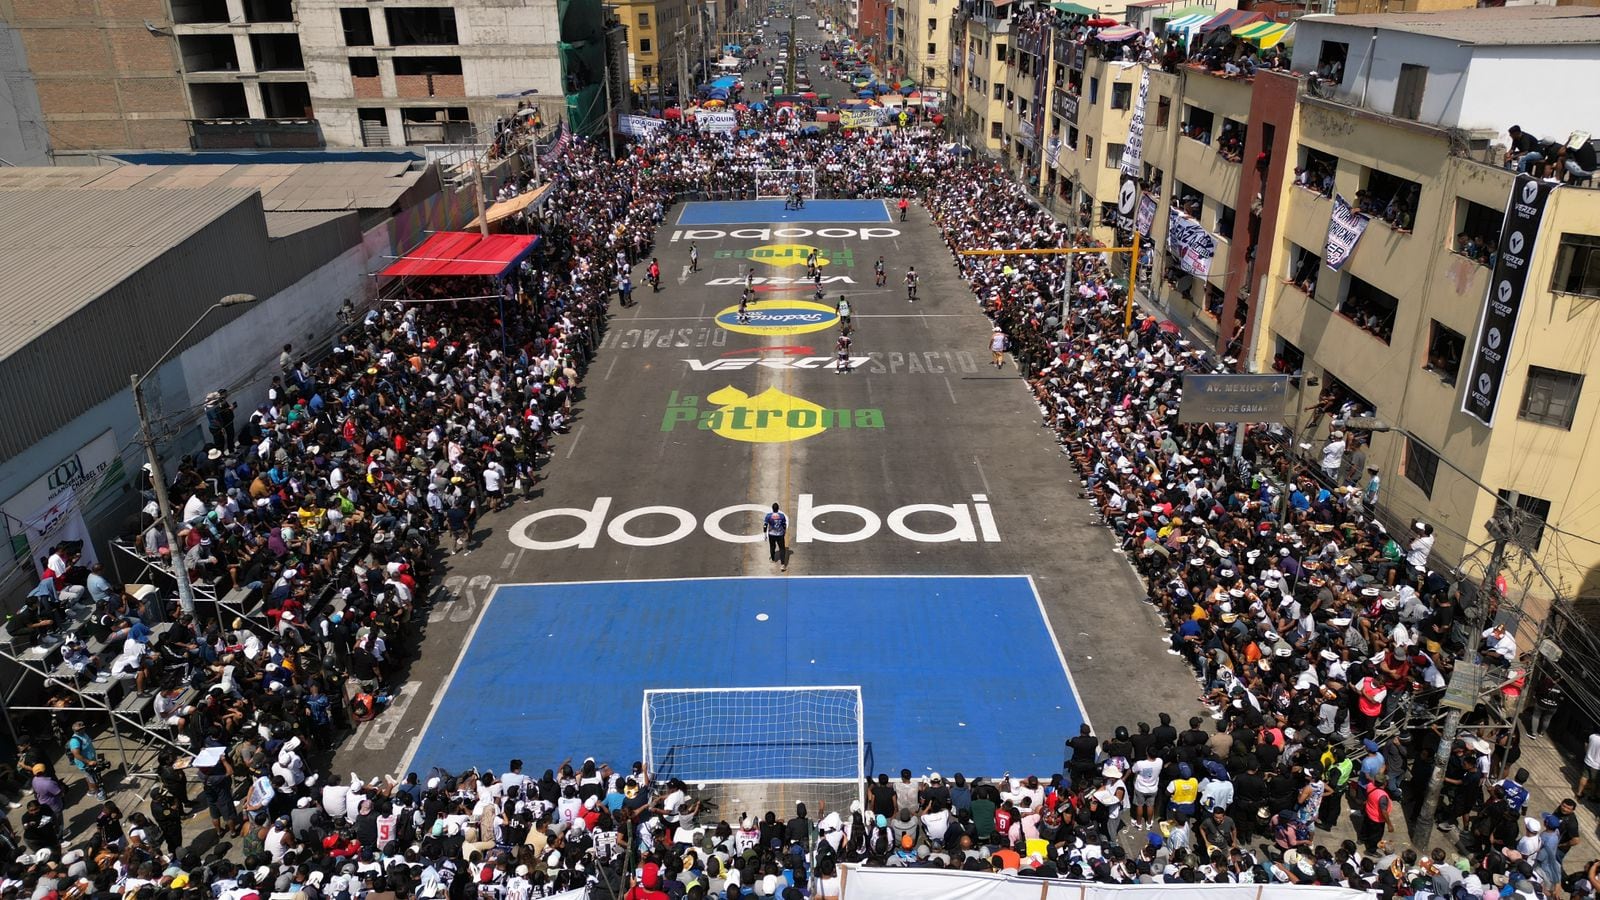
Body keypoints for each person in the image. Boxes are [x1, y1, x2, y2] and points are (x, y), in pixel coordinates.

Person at [67, 721, 107, 801]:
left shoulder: (84, 734)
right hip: (85, 764)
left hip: (91, 761)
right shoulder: (75, 741)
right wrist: (88, 762)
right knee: (93, 779)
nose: (79, 731)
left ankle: (91, 790)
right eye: (77, 730)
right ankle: (98, 793)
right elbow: (76, 754)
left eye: (81, 729)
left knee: (89, 777)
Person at [764, 502, 788, 571]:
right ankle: (782, 564)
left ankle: (773, 558)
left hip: (771, 534)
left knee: (772, 546)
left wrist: (765, 534)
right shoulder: (782, 516)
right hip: (780, 534)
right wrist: (784, 531)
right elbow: (784, 524)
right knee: (782, 549)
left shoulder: (768, 516)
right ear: (778, 509)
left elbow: (765, 525)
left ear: (772, 508)